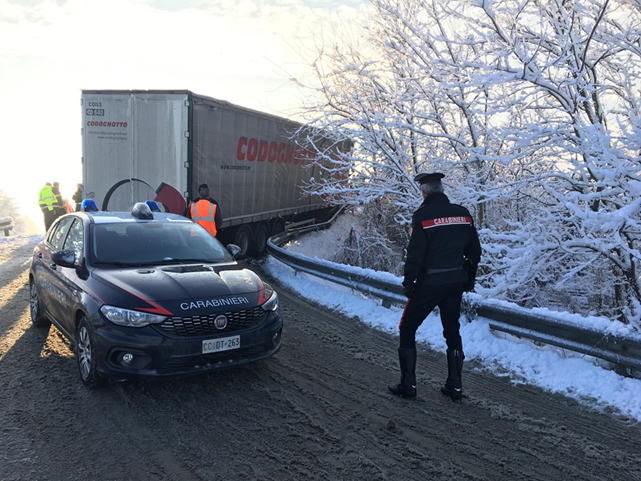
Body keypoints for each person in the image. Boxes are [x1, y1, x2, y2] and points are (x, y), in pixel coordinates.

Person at [388, 172, 481, 402]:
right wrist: (468, 278)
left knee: (407, 327)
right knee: (452, 331)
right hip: (455, 282)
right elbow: (474, 251)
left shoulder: (423, 216)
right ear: (441, 189)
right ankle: (455, 387)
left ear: (423, 192)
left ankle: (408, 385)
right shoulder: (463, 214)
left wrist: (409, 282)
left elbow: (415, 254)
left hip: (430, 282)